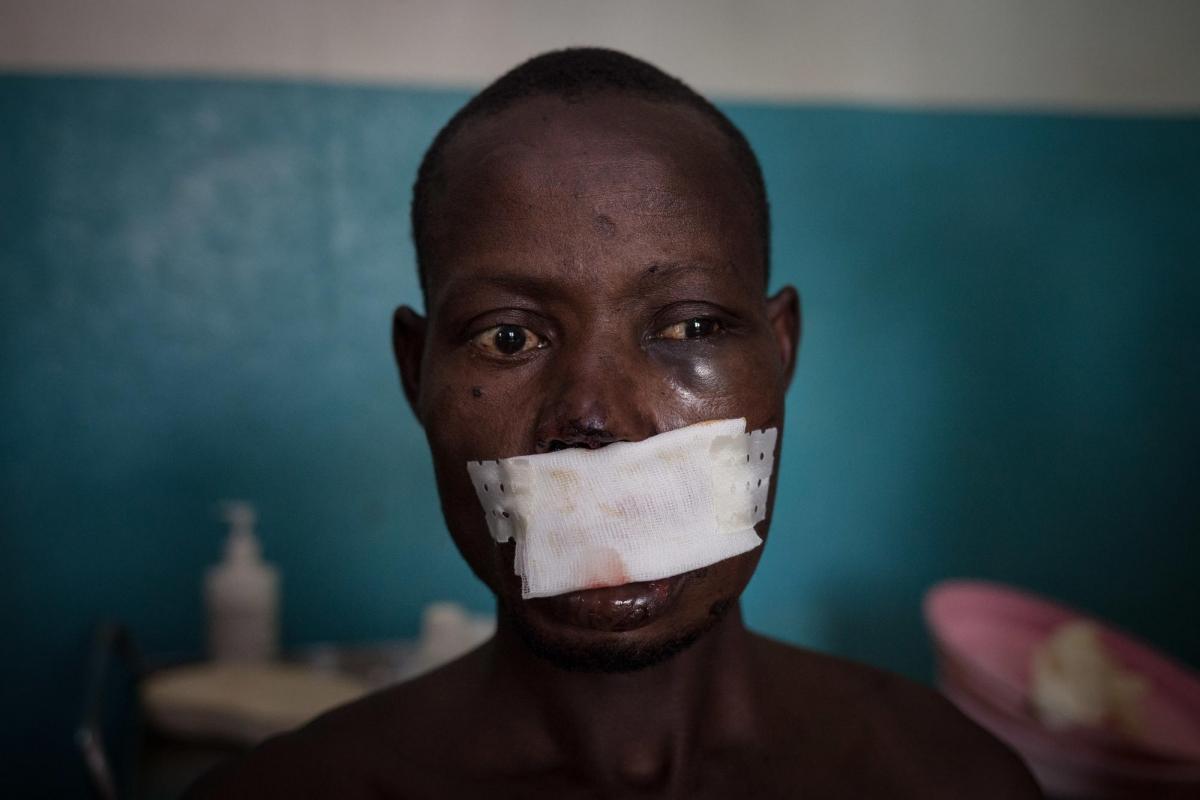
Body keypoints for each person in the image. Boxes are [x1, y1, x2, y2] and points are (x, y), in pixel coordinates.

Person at [188, 48, 1040, 798]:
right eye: (510, 337)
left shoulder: (950, 781)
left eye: (690, 328)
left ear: (780, 353)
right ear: (417, 371)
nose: (596, 420)